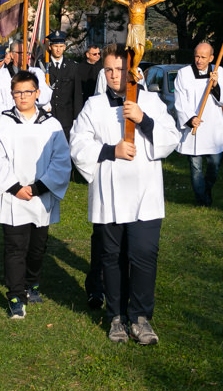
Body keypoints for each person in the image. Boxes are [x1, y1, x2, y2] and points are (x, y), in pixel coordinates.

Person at [69, 43, 179, 345]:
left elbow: (172, 138)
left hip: (145, 194)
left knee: (144, 255)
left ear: (132, 71)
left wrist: (143, 119)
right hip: (110, 194)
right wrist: (110, 150)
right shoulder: (94, 107)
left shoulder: (151, 101)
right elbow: (77, 144)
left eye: (120, 69)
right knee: (112, 257)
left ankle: (141, 317)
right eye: (109, 70)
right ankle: (116, 316)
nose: (115, 75)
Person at [0, 70, 71, 319]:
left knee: (37, 247)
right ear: (12, 95)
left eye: (27, 91)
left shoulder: (51, 125)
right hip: (13, 195)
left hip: (40, 195)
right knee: (15, 246)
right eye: (17, 92)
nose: (23, 96)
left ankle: (31, 283)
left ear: (37, 93)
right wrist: (14, 187)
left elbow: (61, 160)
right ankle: (15, 295)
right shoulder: (3, 122)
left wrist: (38, 188)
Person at [173, 42, 223, 206]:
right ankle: (202, 200)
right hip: (195, 128)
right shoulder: (184, 74)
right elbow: (180, 100)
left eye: (203, 57)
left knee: (214, 163)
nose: (199, 60)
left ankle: (206, 189)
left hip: (213, 129)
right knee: (196, 167)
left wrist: (215, 85)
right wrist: (190, 118)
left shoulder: (219, 71)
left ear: (211, 58)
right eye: (197, 56)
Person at [89, 0, 181, 78]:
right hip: (134, 29)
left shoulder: (144, 5)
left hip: (141, 29)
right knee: (137, 51)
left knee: (141, 51)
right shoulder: (130, 4)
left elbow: (158, 0)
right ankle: (133, 69)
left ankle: (134, 68)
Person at [0, 42, 51, 117]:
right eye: (20, 53)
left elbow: (45, 97)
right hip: (9, 122)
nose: (24, 56)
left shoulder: (37, 73)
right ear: (11, 55)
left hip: (32, 120)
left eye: (26, 53)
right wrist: (14, 119)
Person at [43, 30, 82, 138]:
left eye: (61, 46)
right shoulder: (42, 66)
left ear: (65, 47)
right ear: (50, 47)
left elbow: (77, 95)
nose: (58, 49)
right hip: (47, 116)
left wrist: (76, 118)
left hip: (66, 118)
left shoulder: (72, 67)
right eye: (55, 46)